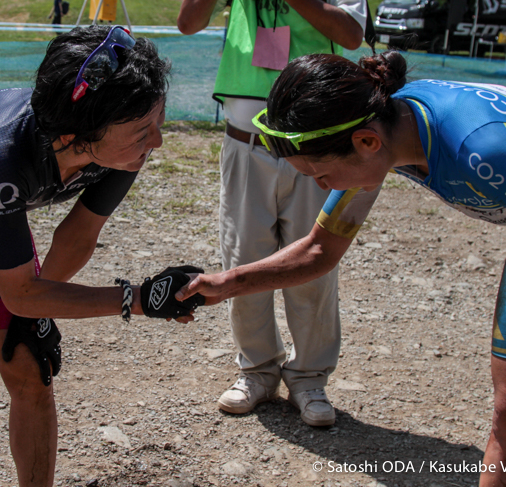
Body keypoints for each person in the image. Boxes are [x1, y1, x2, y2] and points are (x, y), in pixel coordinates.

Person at [178, 51, 506, 486]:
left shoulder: (482, 149)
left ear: (366, 142)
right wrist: (225, 283)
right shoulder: (389, 125)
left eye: (321, 175)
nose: (322, 187)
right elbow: (320, 250)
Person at [0, 25, 204, 487]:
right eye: (141, 131)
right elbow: (23, 293)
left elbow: (76, 238)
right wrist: (136, 298)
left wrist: (34, 313)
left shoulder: (119, 151)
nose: (157, 142)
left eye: (158, 122)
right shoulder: (2, 155)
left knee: (32, 369)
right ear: (80, 131)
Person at [177, 0, 369, 427]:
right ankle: (257, 372)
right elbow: (188, 23)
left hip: (313, 145)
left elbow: (353, 34)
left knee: (312, 262)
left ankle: (309, 378)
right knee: (243, 257)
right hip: (244, 143)